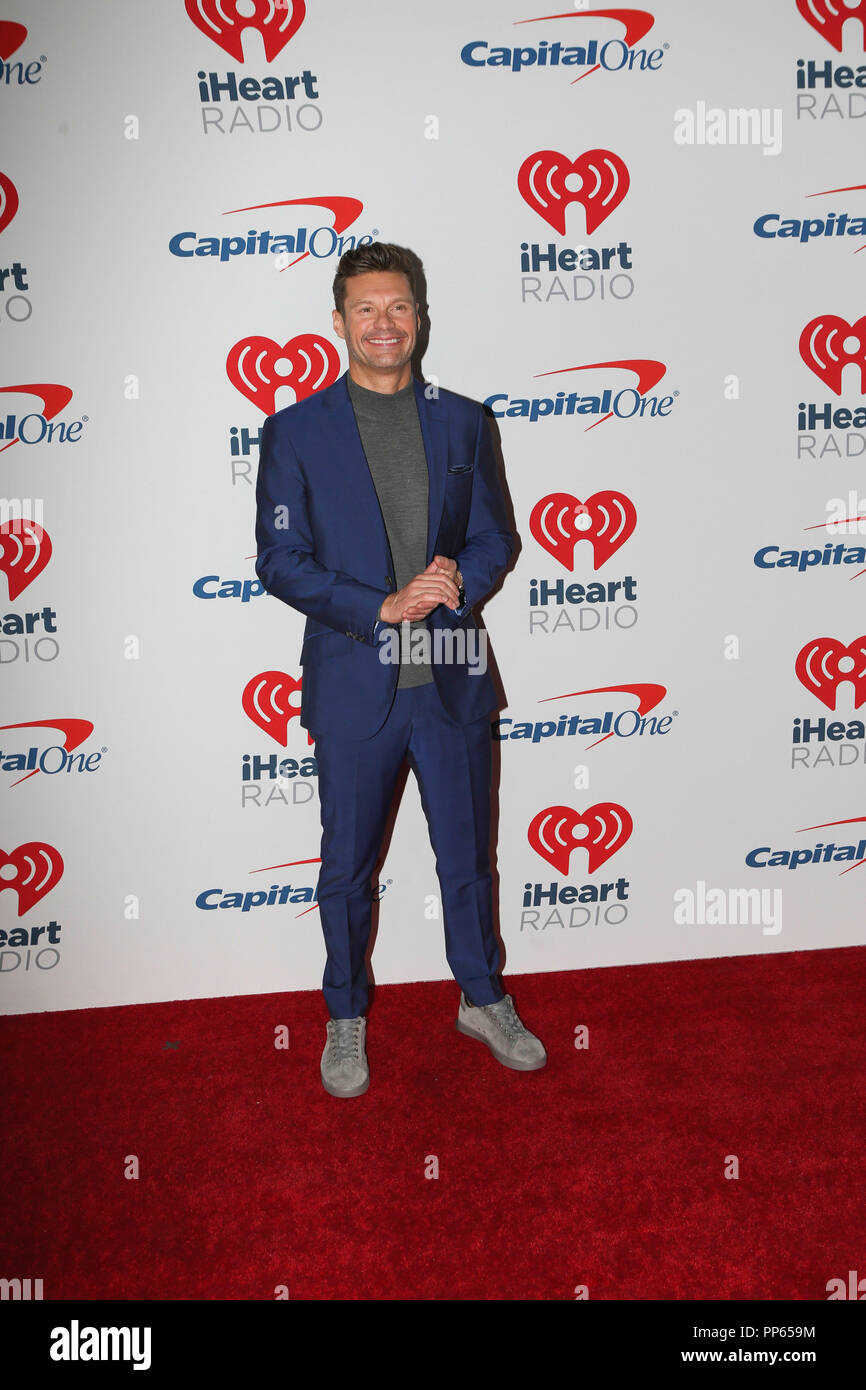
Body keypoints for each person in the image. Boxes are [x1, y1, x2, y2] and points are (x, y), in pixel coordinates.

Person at [254, 241, 546, 1097]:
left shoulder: (465, 420)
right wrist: (377, 605)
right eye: (366, 309)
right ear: (338, 320)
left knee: (468, 856)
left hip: (451, 671)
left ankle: (481, 997)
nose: (385, 324)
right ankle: (345, 1016)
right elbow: (280, 559)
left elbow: (497, 535)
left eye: (400, 307)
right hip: (354, 680)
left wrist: (463, 578)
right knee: (347, 865)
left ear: (421, 315)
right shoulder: (295, 430)